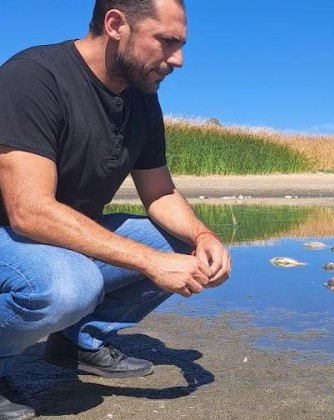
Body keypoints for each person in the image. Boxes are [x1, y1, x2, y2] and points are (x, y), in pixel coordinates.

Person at [0, 0, 231, 418]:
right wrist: (149, 262)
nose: (178, 60)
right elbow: (28, 212)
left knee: (182, 247)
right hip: (10, 235)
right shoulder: (34, 76)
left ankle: (78, 341)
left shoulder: (141, 99)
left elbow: (159, 193)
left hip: (52, 236)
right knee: (71, 285)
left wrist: (203, 237)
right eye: (167, 42)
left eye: (181, 45)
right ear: (115, 24)